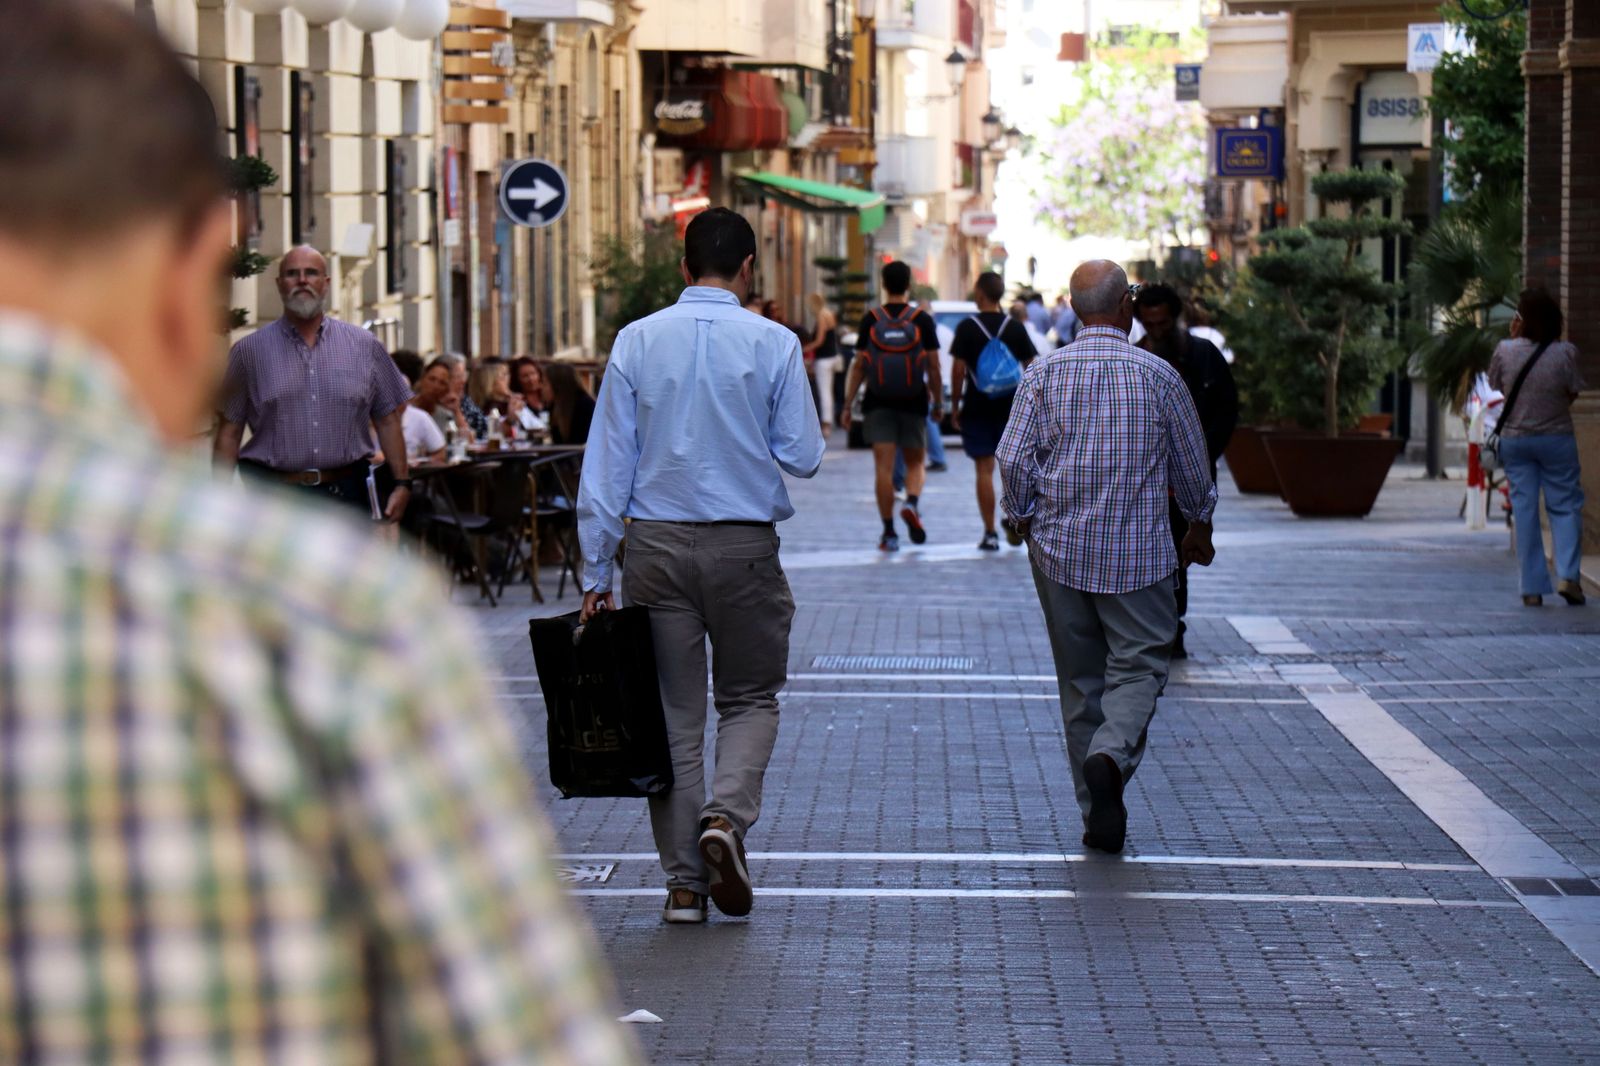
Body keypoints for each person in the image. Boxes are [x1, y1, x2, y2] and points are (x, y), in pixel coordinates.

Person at [0, 3, 637, 1062]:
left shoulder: (335, 539)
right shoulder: (327, 626)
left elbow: (384, 419)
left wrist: (388, 491)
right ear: (203, 255)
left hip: (336, 487)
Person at [578, 208, 824, 925]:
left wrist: (596, 573)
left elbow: (606, 466)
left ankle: (684, 886)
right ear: (749, 267)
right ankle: (726, 821)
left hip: (652, 545)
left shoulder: (636, 339)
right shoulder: (774, 343)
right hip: (743, 546)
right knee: (749, 698)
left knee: (672, 718)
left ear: (684, 268)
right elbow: (804, 455)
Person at [998, 260, 1217, 855]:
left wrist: (1020, 517)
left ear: (1073, 308)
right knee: (1142, 663)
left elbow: (1013, 459)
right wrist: (1199, 519)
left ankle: (1097, 816)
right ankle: (1110, 755)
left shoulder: (1044, 373)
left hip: (1059, 552)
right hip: (1140, 556)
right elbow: (1191, 462)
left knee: (1079, 683)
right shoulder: (1157, 375)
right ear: (1124, 307)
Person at [215, 245, 414, 523]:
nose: (302, 281)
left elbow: (388, 420)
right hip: (272, 501)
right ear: (279, 284)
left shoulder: (364, 346)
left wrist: (402, 483)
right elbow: (229, 432)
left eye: (311, 273)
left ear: (326, 283)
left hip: (346, 495)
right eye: (292, 274)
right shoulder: (249, 353)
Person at [1134, 282, 1239, 658]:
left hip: (1188, 484)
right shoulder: (1137, 358)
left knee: (1181, 553)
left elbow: (1226, 411)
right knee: (1150, 554)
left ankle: (1173, 625)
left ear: (1175, 317)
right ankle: (1158, 625)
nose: (1156, 330)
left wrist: (1198, 454)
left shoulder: (1204, 355)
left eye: (1162, 322)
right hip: (1147, 483)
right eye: (1149, 323)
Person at [1489, 287, 1588, 607]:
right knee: (1565, 504)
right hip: (1557, 438)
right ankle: (1569, 576)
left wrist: (1511, 339)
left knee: (1525, 509)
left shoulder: (1504, 350)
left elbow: (1495, 386)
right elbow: (1572, 392)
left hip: (1516, 441)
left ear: (1521, 319)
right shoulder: (1565, 353)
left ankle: (1531, 587)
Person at [842, 260, 944, 551]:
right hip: (913, 401)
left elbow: (860, 365)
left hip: (878, 402)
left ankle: (888, 533)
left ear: (884, 285)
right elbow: (934, 367)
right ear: (908, 285)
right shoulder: (922, 320)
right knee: (915, 462)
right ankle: (911, 502)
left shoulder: (872, 319)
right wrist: (938, 401)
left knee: (884, 470)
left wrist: (848, 404)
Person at [950, 272, 1039, 550]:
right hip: (1011, 408)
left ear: (979, 294)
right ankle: (1015, 522)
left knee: (983, 469)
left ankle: (989, 532)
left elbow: (957, 369)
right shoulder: (1014, 327)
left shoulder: (967, 327)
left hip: (977, 406)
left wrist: (954, 405)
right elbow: (1032, 366)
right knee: (1011, 468)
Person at [804, 292, 844, 433]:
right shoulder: (829, 314)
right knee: (829, 391)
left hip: (824, 359)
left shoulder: (821, 316)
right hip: (832, 357)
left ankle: (826, 424)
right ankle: (828, 420)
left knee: (824, 391)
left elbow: (819, 341)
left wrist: (804, 348)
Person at [403, 356, 450, 462]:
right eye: (432, 379)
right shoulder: (407, 411)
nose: (435, 386)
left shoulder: (447, 415)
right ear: (422, 379)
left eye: (442, 383)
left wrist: (456, 410)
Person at [542, 360, 598, 445]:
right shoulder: (555, 406)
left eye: (545, 383)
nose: (541, 388)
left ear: (557, 385)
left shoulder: (584, 405)